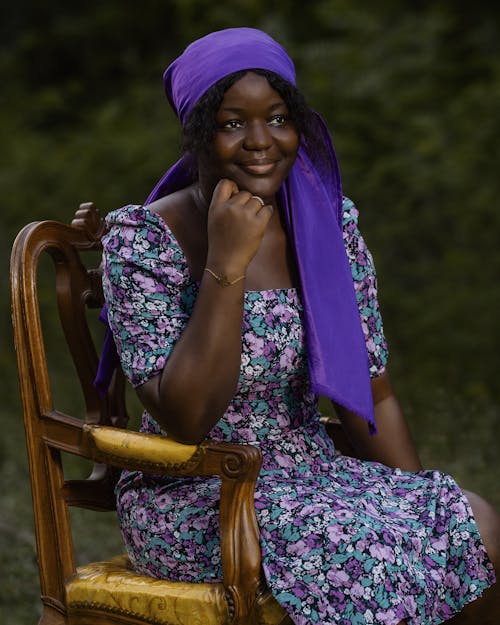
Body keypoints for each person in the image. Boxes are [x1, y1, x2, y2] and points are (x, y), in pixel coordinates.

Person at [99, 27, 499, 625]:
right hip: (195, 493)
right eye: (233, 122)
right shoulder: (144, 240)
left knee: (474, 526)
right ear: (198, 132)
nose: (262, 142)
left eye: (279, 117)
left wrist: (419, 513)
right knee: (360, 556)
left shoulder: (326, 225)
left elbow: (374, 389)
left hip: (313, 475)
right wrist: (224, 264)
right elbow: (185, 417)